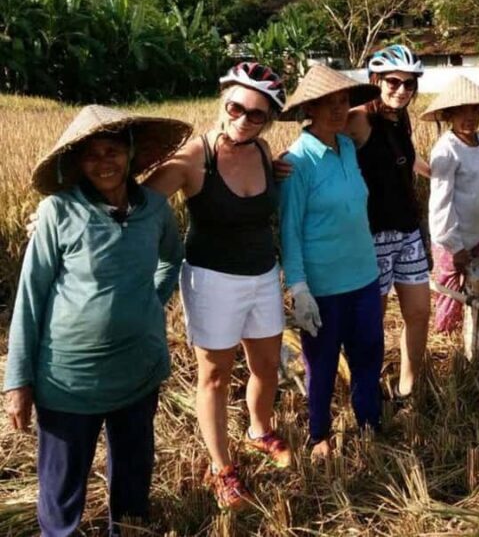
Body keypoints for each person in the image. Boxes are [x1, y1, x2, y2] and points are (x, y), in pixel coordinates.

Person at [3, 105, 190, 537]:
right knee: (62, 488)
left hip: (138, 371)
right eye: (91, 154)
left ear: (130, 152)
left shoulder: (154, 210)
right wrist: (18, 381)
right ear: (77, 164)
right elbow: (29, 297)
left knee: (133, 476)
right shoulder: (57, 213)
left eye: (112, 150)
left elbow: (172, 260)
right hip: (69, 380)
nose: (104, 162)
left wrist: (151, 302)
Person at [144, 63, 289, 511]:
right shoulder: (194, 157)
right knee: (214, 376)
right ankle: (222, 469)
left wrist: (280, 168)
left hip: (264, 274)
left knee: (267, 365)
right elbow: (139, 203)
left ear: (268, 120)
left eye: (257, 114)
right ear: (223, 100)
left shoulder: (264, 151)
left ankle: (259, 430)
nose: (244, 119)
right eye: (236, 107)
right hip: (212, 280)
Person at [279, 64, 383, 460]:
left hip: (364, 276)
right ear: (310, 108)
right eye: (327, 102)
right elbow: (289, 231)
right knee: (321, 363)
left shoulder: (348, 149)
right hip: (323, 286)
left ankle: (369, 421)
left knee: (369, 352)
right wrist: (299, 288)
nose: (338, 109)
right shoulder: (296, 163)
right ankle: (319, 433)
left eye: (342, 101)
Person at [346, 44, 431, 400]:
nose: (401, 90)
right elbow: (316, 138)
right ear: (375, 80)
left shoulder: (401, 118)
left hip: (407, 229)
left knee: (419, 312)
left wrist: (434, 171)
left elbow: (399, 160)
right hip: (372, 234)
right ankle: (364, 385)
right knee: (371, 322)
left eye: (409, 84)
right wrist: (281, 163)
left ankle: (408, 385)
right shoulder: (360, 117)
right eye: (393, 82)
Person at [422, 76, 479, 333]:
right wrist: (455, 246)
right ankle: (447, 346)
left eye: (474, 110)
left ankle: (476, 338)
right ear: (449, 114)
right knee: (450, 295)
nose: (469, 116)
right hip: (452, 240)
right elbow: (440, 203)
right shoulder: (446, 150)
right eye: (461, 111)